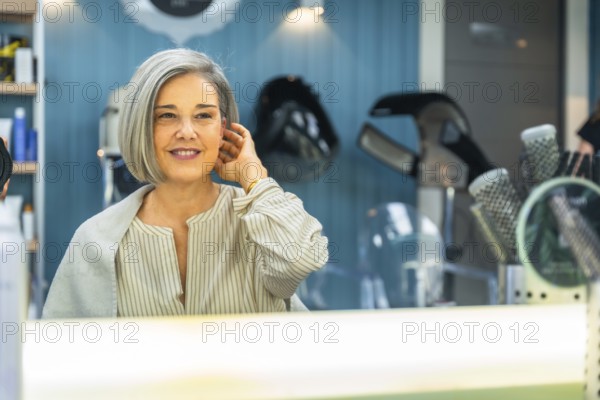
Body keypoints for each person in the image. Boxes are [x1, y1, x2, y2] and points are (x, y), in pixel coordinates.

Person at [42, 48, 329, 318]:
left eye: (204, 115)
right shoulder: (95, 238)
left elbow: (299, 261)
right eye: (167, 116)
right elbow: (63, 356)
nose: (187, 132)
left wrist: (254, 177)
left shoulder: (259, 221)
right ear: (142, 128)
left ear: (223, 129)